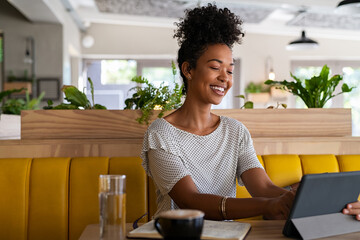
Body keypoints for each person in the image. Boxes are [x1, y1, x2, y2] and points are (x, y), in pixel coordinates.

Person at [141, 3, 360, 221]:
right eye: (215, 68)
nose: (225, 78)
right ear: (188, 69)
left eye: (229, 70)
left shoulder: (234, 131)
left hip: (228, 236)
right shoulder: (161, 133)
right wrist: (269, 206)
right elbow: (191, 200)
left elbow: (264, 187)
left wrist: (327, 208)